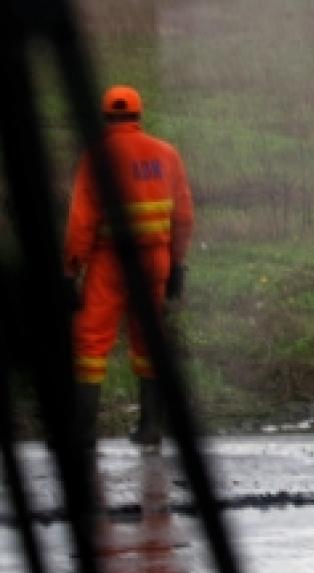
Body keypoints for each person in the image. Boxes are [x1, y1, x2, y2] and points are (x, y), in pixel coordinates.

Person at [64, 84, 194, 447]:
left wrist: (70, 271)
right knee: (149, 338)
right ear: (139, 115)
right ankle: (151, 427)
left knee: (91, 341)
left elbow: (82, 223)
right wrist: (177, 265)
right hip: (155, 260)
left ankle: (83, 432)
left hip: (110, 261)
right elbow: (182, 216)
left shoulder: (97, 156)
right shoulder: (167, 155)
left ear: (106, 116)